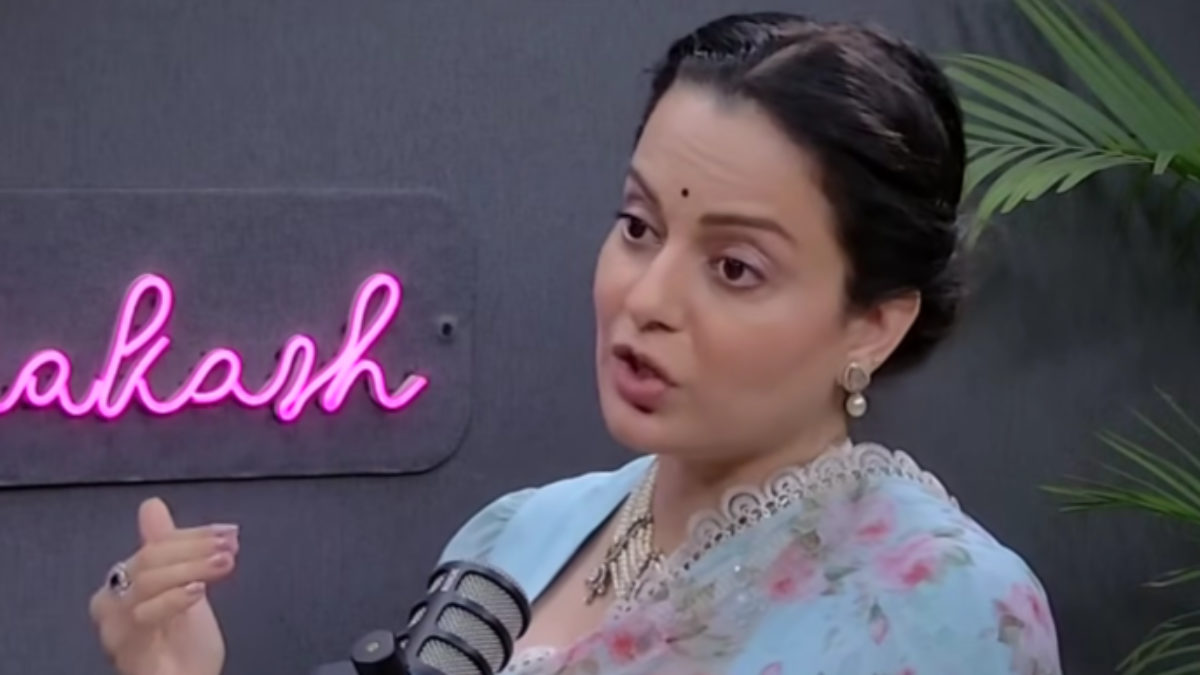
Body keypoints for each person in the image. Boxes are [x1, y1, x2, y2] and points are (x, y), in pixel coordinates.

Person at [89, 11, 1062, 675]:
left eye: (734, 268)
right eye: (638, 226)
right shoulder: (515, 536)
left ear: (874, 322)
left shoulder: (947, 611)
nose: (647, 297)